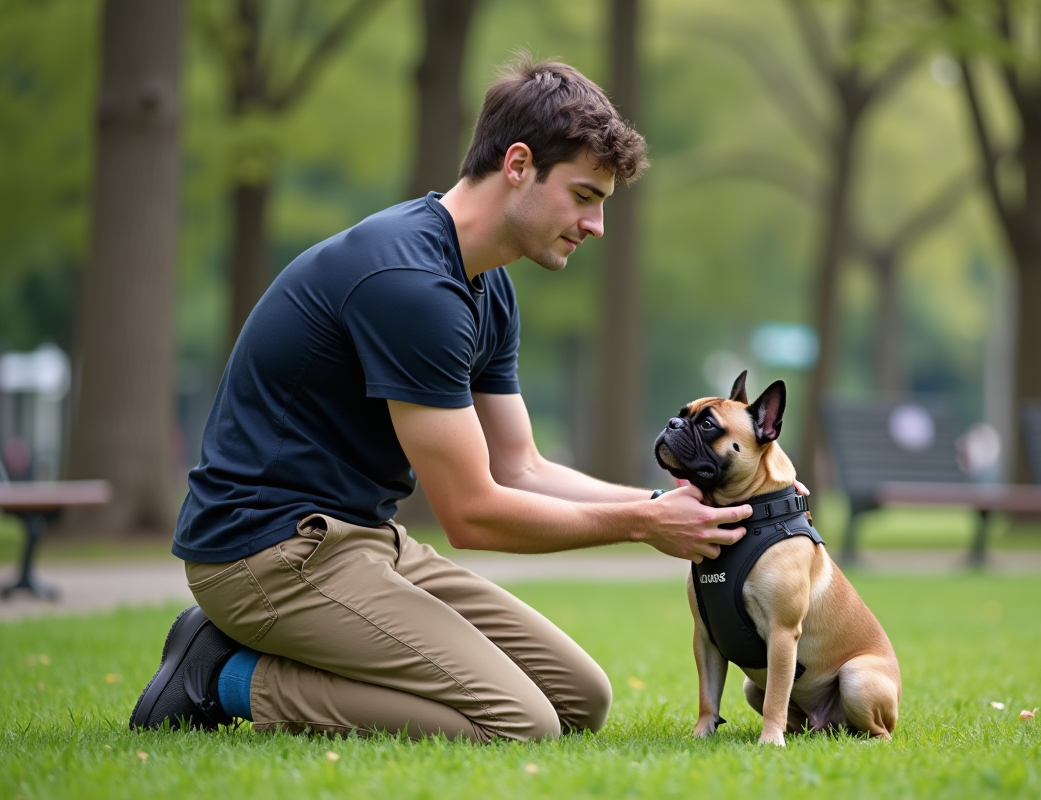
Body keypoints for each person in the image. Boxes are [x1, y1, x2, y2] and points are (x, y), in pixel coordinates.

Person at [129, 55, 756, 743]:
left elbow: (521, 468)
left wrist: (665, 507)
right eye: (584, 196)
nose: (597, 225)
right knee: (521, 724)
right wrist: (641, 525)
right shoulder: (412, 286)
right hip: (264, 555)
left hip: (364, 543)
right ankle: (220, 675)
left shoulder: (488, 283)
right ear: (518, 164)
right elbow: (472, 515)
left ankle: (286, 654)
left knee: (581, 698)